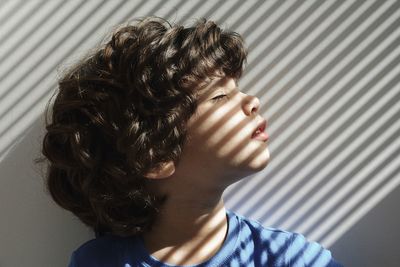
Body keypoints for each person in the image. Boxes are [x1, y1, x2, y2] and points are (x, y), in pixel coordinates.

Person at [40, 16, 343, 267]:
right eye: (220, 96)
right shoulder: (97, 263)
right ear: (155, 156)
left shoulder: (291, 259)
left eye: (236, 87)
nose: (253, 100)